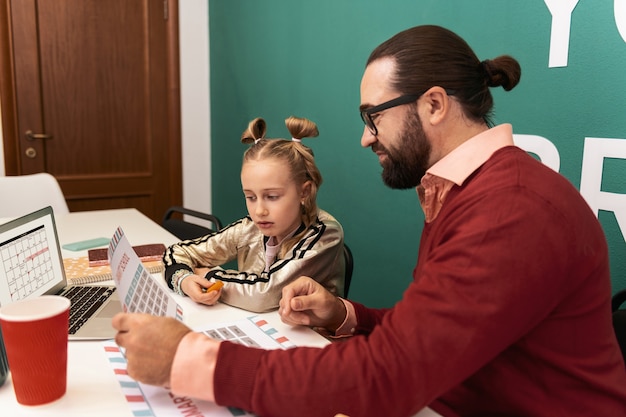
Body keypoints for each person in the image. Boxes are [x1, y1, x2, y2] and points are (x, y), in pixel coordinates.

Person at [113, 25, 626, 416]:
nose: (365, 137)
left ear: (433, 104)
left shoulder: (510, 211)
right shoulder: (468, 190)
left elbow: (391, 377)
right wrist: (346, 316)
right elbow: (428, 340)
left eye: (372, 116)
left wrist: (189, 362)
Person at [162, 116, 345, 313]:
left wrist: (208, 275)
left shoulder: (326, 234)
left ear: (304, 192)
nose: (259, 211)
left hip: (312, 339)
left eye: (272, 196)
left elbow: (263, 294)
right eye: (250, 197)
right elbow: (179, 252)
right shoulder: (250, 227)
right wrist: (184, 279)